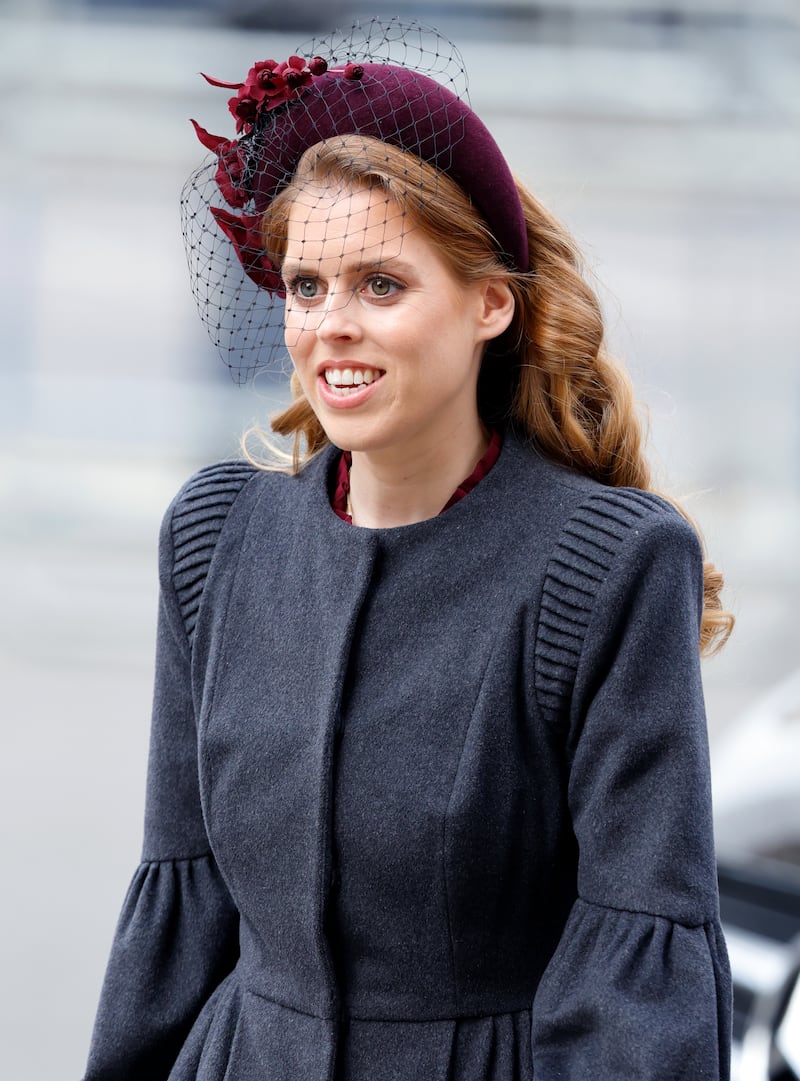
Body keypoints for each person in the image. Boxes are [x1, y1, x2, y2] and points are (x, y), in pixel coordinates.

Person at [83, 18, 734, 1081]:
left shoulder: (610, 565)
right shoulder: (214, 538)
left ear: (488, 304)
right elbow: (185, 899)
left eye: (380, 284)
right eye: (306, 285)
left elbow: (637, 967)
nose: (329, 324)